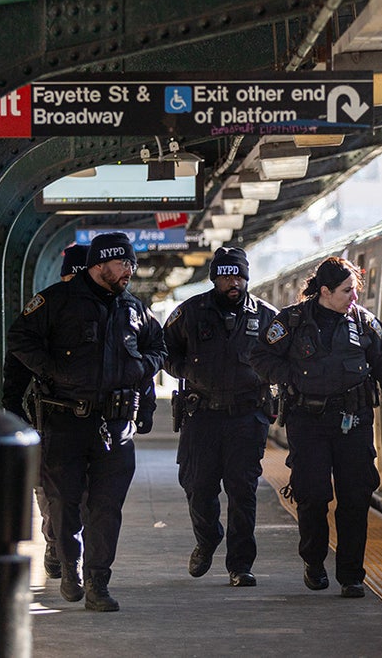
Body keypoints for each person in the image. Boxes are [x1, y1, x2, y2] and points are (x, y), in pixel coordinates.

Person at [6, 232, 166, 612]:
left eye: (132, 263)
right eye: (123, 263)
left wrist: (143, 368)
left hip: (115, 427)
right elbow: (19, 338)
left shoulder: (134, 309)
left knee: (107, 507)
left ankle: (98, 581)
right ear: (99, 265)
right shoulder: (55, 302)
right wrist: (53, 370)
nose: (130, 270)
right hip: (65, 422)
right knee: (64, 503)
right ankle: (70, 567)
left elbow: (158, 348)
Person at [250, 256, 382, 599]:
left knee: (355, 496)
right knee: (312, 494)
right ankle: (313, 560)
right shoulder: (291, 321)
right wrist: (290, 377)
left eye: (354, 290)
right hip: (307, 421)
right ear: (324, 291)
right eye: (347, 291)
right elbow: (260, 356)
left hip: (353, 422)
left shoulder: (365, 324)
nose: (354, 297)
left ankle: (352, 575)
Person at [162, 247, 278, 587]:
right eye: (227, 276)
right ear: (215, 278)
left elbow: (283, 356)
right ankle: (207, 538)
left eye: (239, 276)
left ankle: (240, 566)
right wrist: (186, 370)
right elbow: (165, 350)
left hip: (247, 418)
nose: (234, 282)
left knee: (243, 492)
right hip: (203, 417)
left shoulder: (267, 316)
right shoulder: (190, 313)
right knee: (198, 487)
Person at [2, 243, 89, 580]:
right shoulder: (46, 307)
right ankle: (56, 542)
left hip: (87, 418)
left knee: (81, 492)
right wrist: (13, 405)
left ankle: (64, 545)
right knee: (50, 488)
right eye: (71, 275)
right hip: (47, 414)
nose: (75, 282)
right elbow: (18, 357)